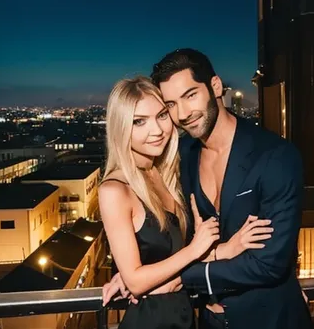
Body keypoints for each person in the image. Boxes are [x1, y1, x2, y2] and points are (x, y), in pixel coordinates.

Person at [98, 76, 273, 329]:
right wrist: (132, 274)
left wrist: (227, 249)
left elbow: (169, 260)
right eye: (139, 122)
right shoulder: (114, 189)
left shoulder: (166, 174)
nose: (156, 130)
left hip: (184, 319)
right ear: (120, 128)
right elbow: (137, 281)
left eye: (161, 115)